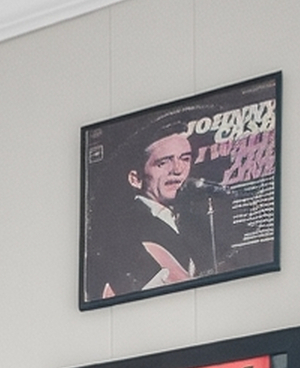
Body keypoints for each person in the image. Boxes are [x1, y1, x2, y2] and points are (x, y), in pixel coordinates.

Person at [95, 115, 228, 297]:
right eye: (163, 162)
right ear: (136, 179)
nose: (178, 170)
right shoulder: (121, 226)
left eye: (185, 159)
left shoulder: (195, 221)